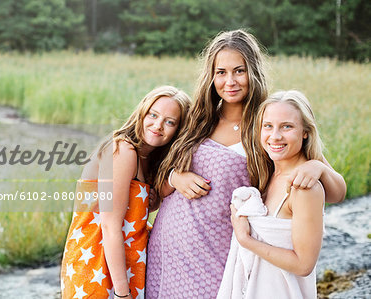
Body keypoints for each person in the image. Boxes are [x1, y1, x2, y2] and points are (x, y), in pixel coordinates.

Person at [146, 30, 346, 298]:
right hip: (167, 254)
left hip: (218, 256)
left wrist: (318, 167)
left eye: (239, 71)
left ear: (253, 72)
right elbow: (158, 188)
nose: (230, 81)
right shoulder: (198, 118)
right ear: (211, 75)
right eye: (221, 72)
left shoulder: (269, 122)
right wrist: (174, 178)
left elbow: (338, 193)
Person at [60, 86, 191, 299]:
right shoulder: (122, 150)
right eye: (153, 114)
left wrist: (174, 177)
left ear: (179, 129)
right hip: (96, 263)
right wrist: (122, 293)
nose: (158, 125)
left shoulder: (150, 160)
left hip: (126, 264)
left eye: (170, 121)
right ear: (142, 112)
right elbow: (110, 226)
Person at [217, 90, 326, 299]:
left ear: (305, 131)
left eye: (287, 126)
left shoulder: (304, 188)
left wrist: (245, 239)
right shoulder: (268, 175)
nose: (275, 136)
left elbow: (303, 264)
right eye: (268, 126)